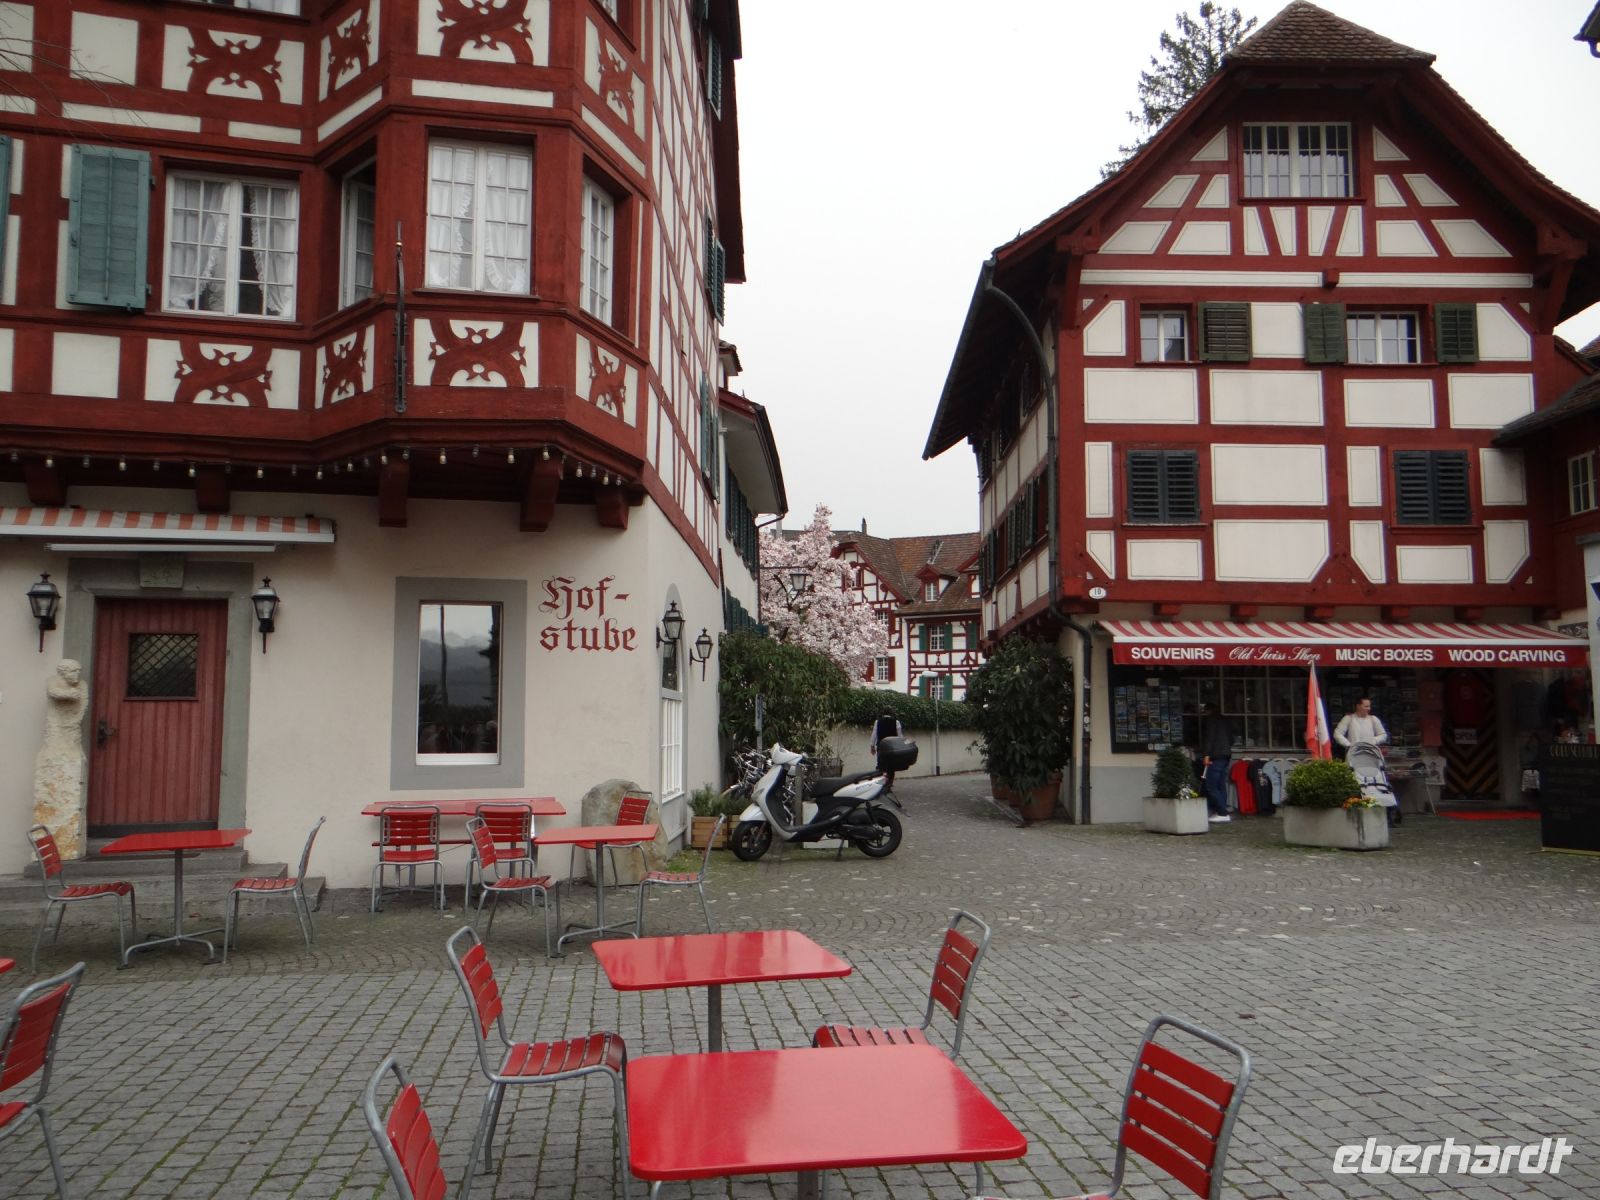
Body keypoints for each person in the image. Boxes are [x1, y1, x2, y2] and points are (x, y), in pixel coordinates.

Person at [1199, 702, 1234, 823]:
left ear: (1208, 711)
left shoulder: (1210, 721)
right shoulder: (1225, 720)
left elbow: (1209, 738)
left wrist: (1206, 754)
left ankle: (1222, 812)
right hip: (1226, 754)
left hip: (1215, 755)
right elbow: (1231, 738)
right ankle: (1222, 808)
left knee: (1211, 786)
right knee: (1220, 784)